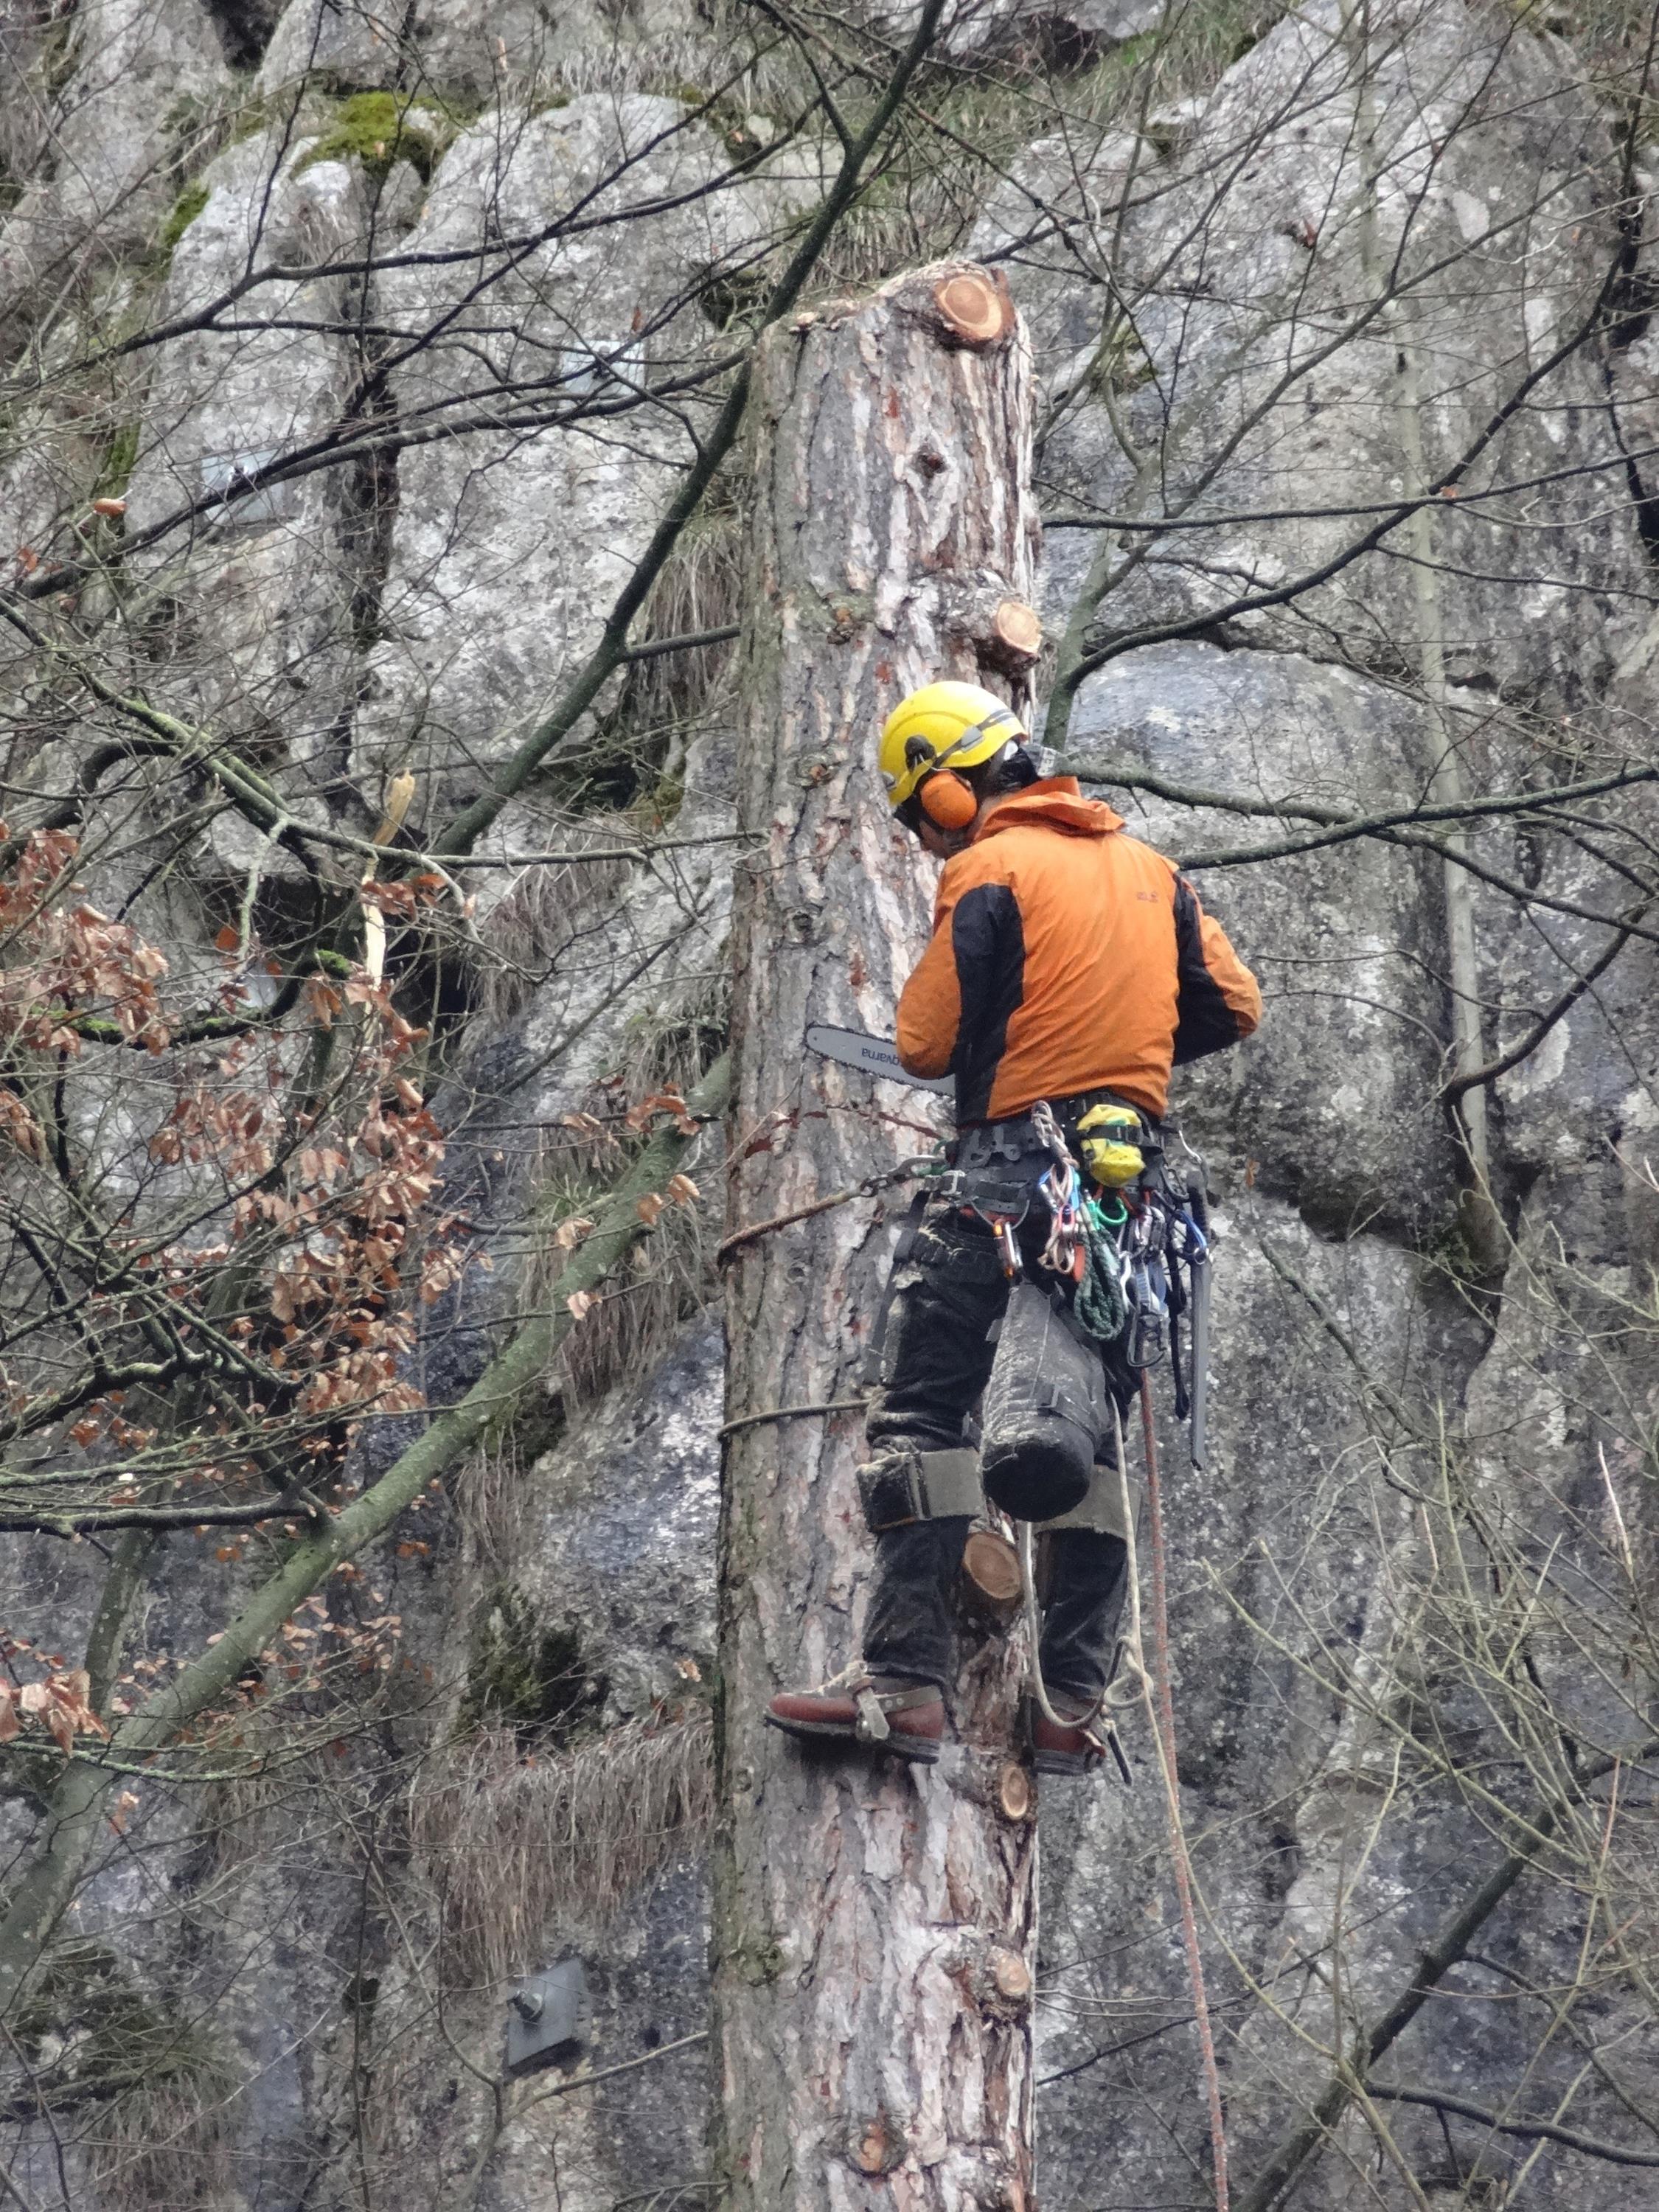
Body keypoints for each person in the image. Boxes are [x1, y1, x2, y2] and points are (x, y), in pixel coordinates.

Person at [766, 681, 1262, 1777]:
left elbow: (926, 1041)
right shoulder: (1152, 871)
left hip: (1005, 1175)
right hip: (1126, 1195)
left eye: (923, 811)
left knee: (925, 1418)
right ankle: (1071, 1703)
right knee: (1085, 1435)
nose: (928, 831)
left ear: (949, 783)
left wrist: (1028, 1038)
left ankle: (904, 1686)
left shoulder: (988, 867)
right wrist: (1108, 1062)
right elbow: (1231, 1006)